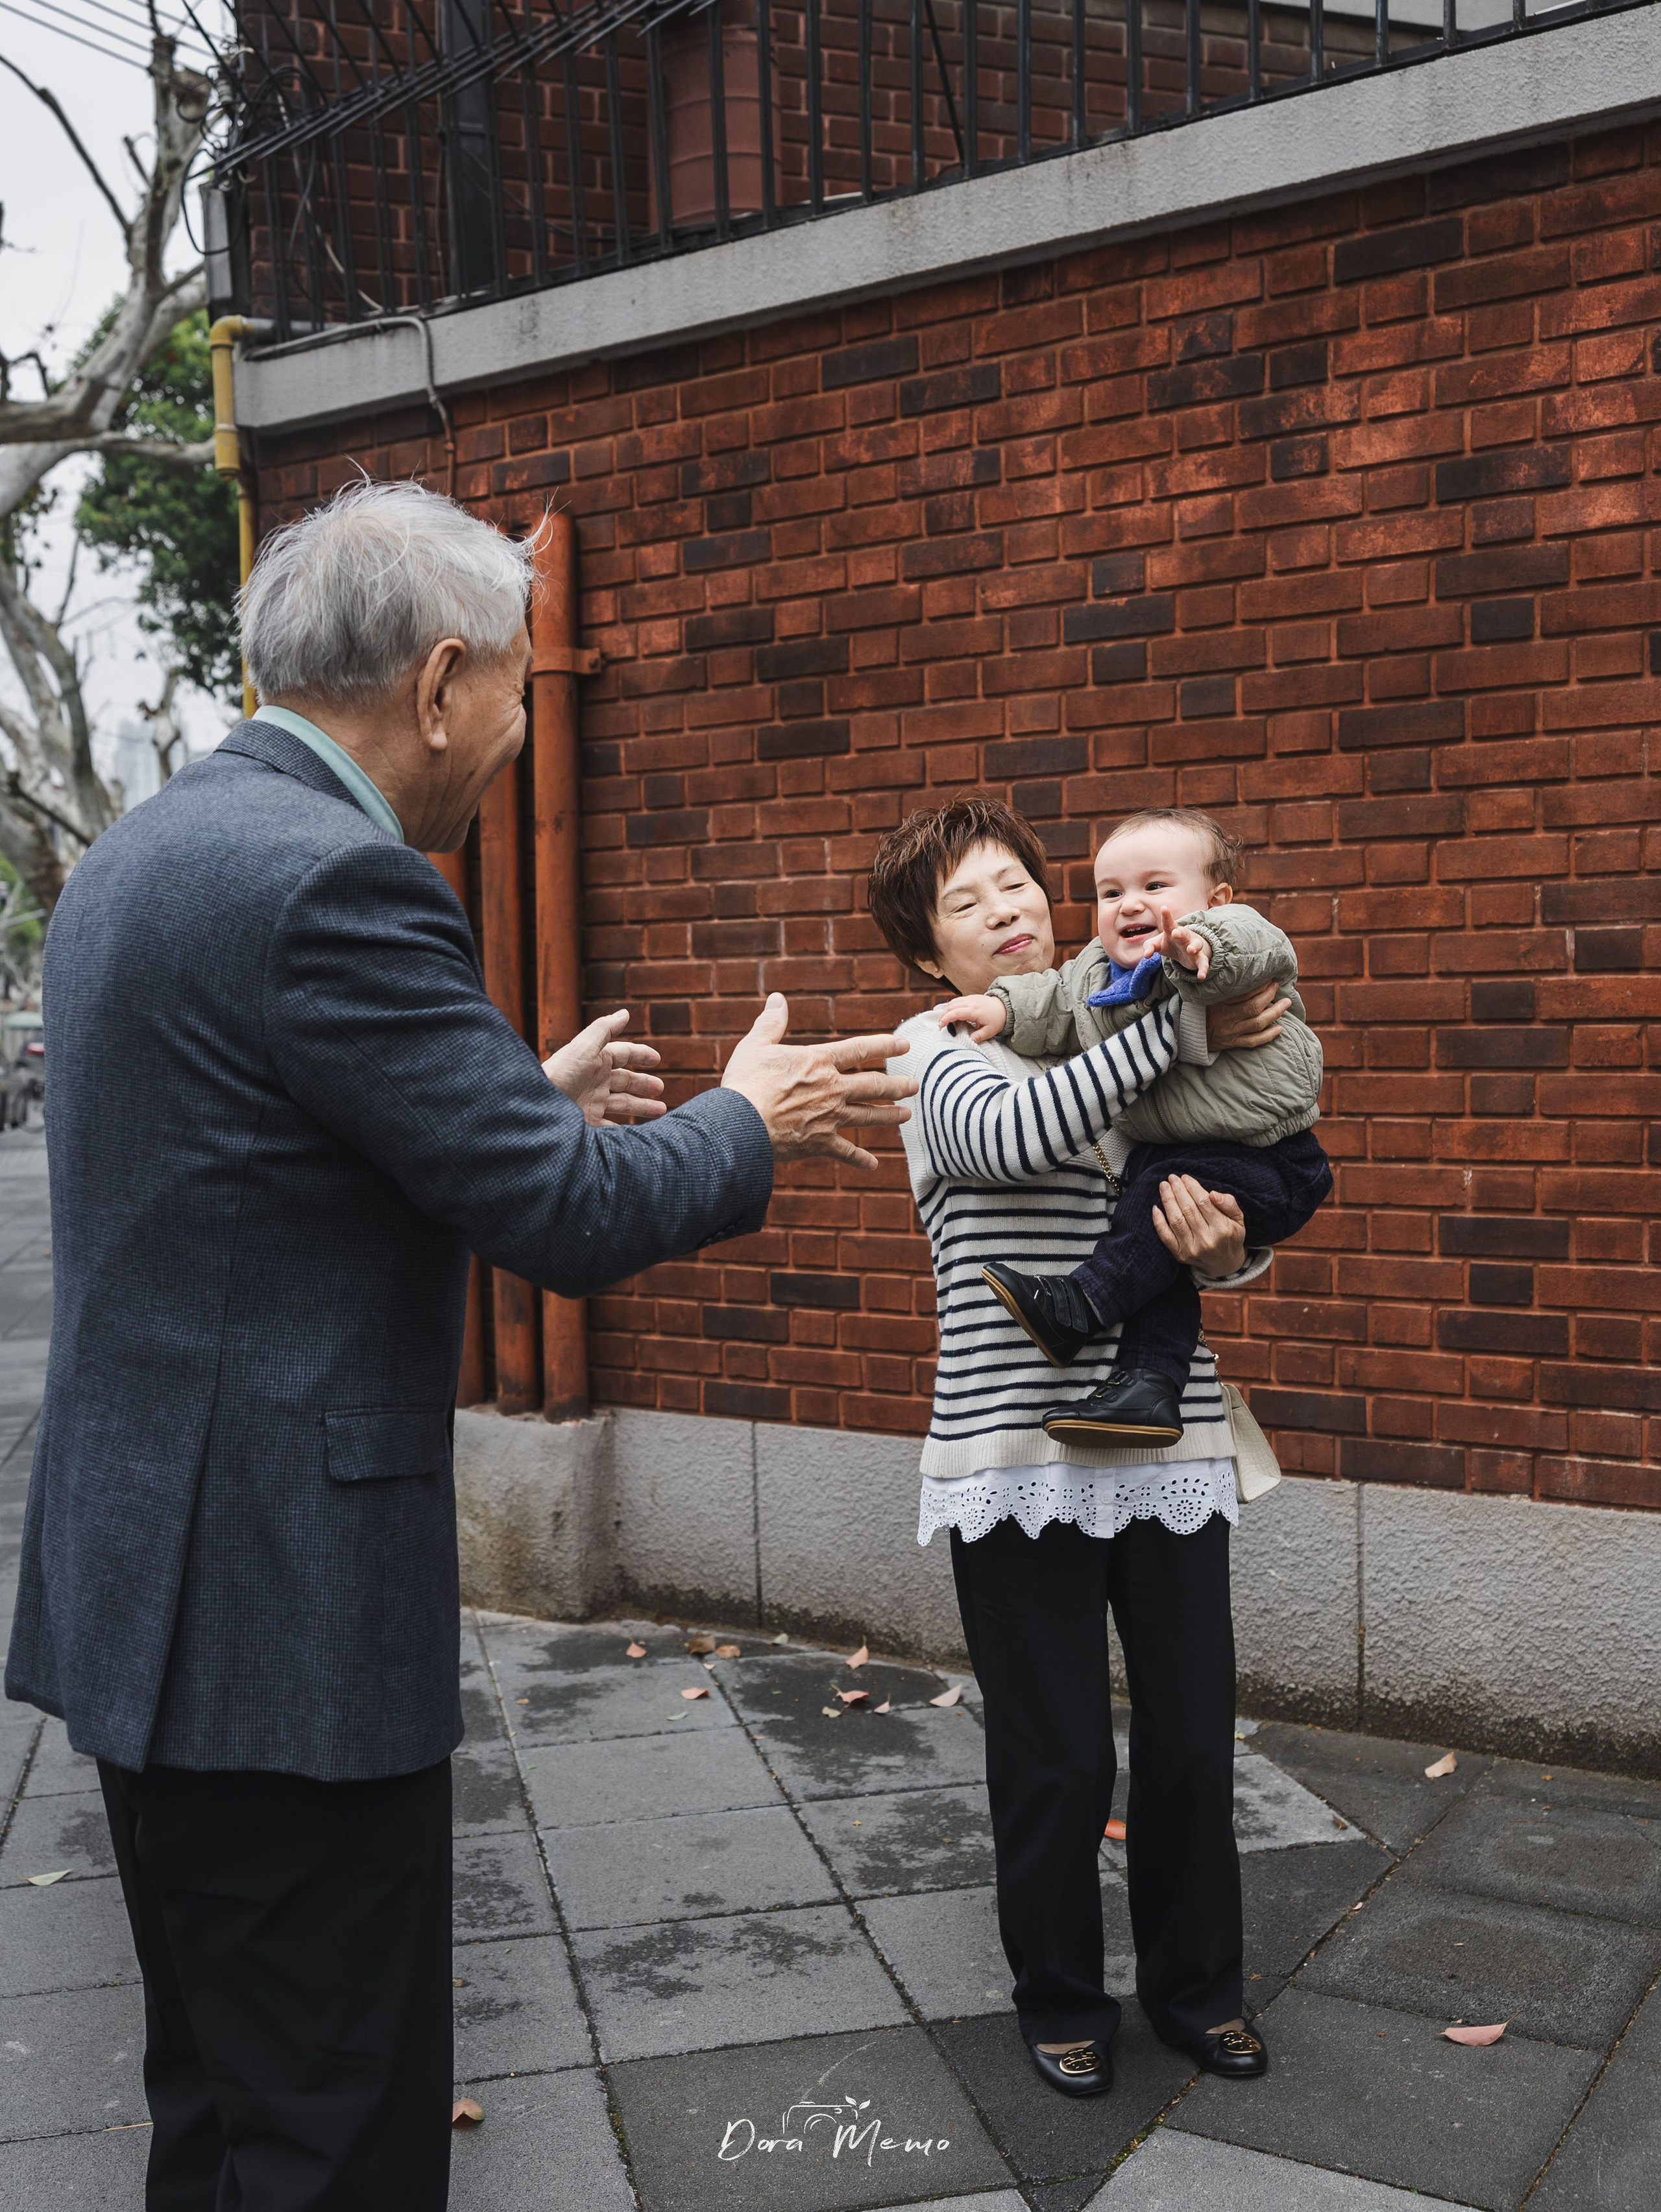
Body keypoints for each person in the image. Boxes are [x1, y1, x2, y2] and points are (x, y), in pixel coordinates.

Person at [3, 479, 914, 2212]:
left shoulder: (145, 852)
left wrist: (514, 1103)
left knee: (217, 2097)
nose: (511, 720)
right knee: (339, 2133)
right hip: (278, 1621)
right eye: (510, 679)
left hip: (145, 1590)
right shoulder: (343, 882)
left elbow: (252, 1170)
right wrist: (750, 1117)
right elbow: (567, 1220)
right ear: (437, 684)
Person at [866, 793, 1290, 2102]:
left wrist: (1235, 1251)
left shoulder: (1115, 1015)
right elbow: (1013, 1137)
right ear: (928, 955)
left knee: (1186, 1737)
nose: (1003, 914)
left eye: (1013, 887)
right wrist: (1171, 1016)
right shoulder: (937, 1049)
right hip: (1010, 1458)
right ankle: (1058, 1993)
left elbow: (1212, 1192)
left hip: (1163, 1438)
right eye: (965, 903)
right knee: (1053, 1756)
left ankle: (1196, 1991)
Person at [931, 806, 1331, 1444]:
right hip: (1010, 1429)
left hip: (1271, 1153)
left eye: (1154, 886)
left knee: (1154, 1186)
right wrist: (1002, 1007)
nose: (1129, 904)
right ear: (927, 952)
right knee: (1148, 1202)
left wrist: (1203, 947)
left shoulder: (1214, 941)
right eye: (1110, 892)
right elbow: (1050, 1010)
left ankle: (1081, 1305)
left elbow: (1254, 948)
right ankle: (1146, 1384)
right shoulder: (1073, 990)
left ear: (1215, 897)